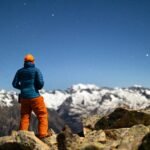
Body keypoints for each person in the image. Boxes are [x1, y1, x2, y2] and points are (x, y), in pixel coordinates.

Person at [12, 54, 50, 139]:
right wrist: (35, 87)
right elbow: (40, 84)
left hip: (24, 97)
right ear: (33, 61)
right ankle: (43, 133)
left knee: (25, 116)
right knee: (42, 114)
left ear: (24, 62)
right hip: (35, 97)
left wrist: (22, 88)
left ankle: (22, 135)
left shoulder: (19, 71)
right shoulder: (36, 70)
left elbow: (14, 84)